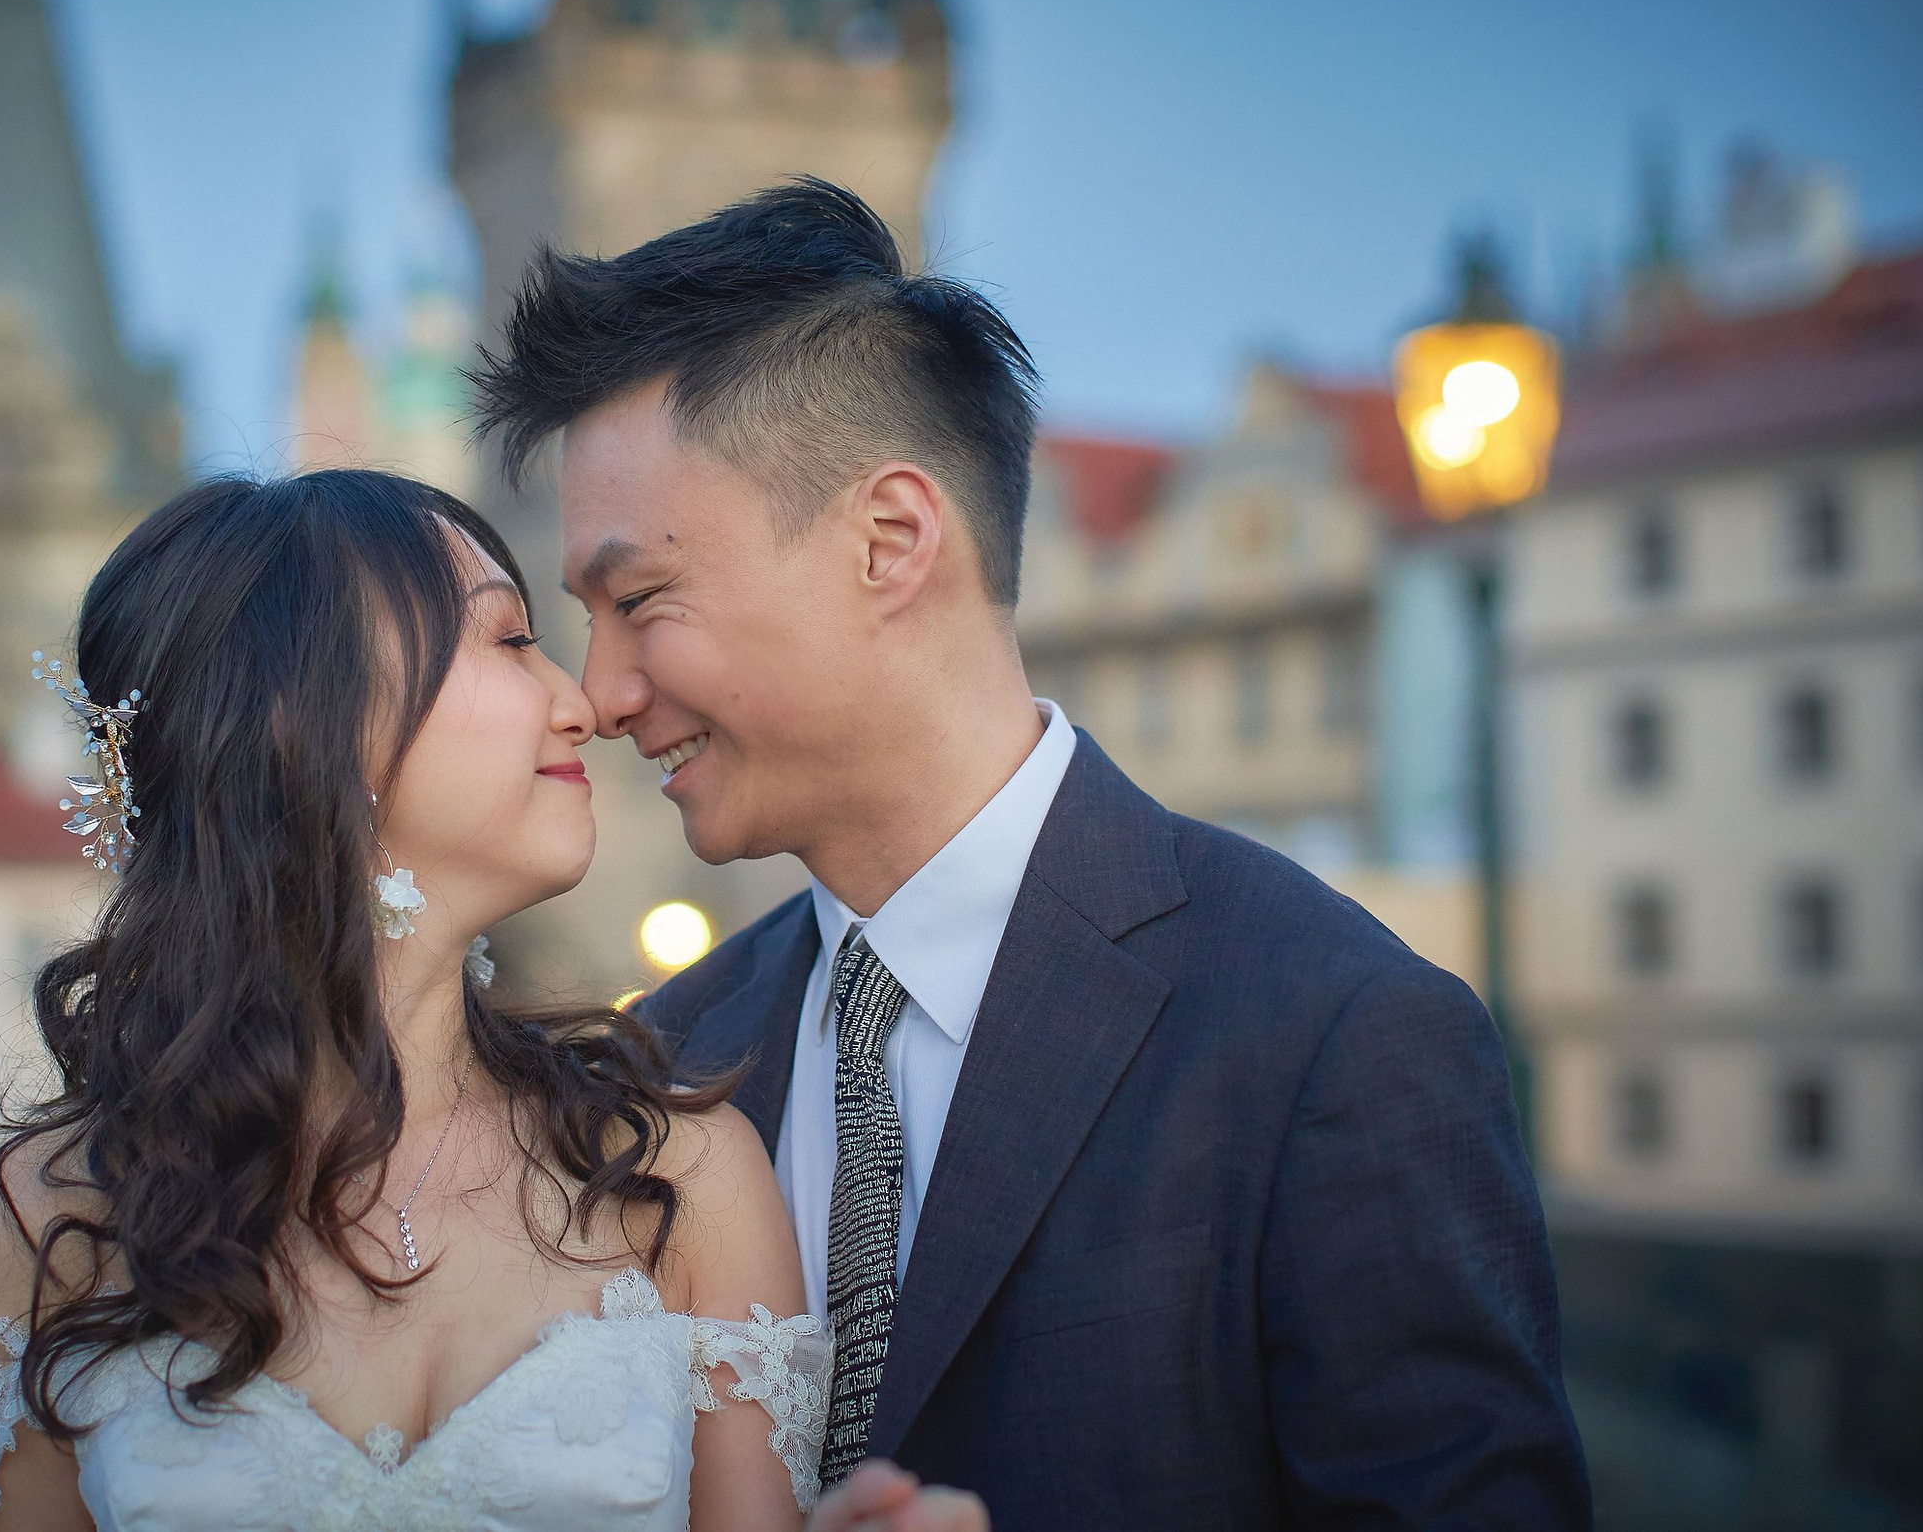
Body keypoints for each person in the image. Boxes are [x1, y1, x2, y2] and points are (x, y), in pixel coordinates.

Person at [470, 179, 1594, 1528]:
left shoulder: (1331, 1035)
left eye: (640, 600)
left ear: (891, 540)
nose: (602, 691)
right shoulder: (670, 1052)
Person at [0, 470, 987, 1531]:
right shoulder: (42, 1216)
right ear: (301, 714)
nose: (580, 702)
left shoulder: (676, 1170)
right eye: (509, 640)